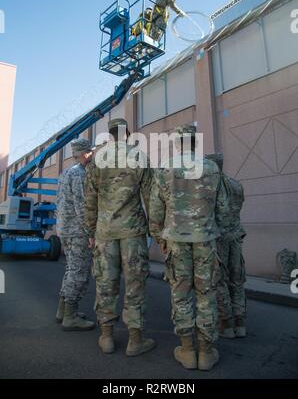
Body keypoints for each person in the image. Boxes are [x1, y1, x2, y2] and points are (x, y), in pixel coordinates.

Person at [149, 125, 228, 371]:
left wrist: (160, 239)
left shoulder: (164, 169)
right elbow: (223, 210)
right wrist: (218, 234)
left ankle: (187, 349)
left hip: (176, 241)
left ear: (177, 143)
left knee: (181, 295)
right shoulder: (212, 168)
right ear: (195, 142)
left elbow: (155, 211)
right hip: (205, 240)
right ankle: (206, 352)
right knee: (207, 295)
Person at [85, 118, 155, 356]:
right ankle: (135, 340)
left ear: (111, 134)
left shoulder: (97, 160)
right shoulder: (139, 157)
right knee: (134, 285)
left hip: (105, 232)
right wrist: (156, 232)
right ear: (127, 133)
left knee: (106, 284)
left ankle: (106, 337)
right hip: (133, 232)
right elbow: (151, 199)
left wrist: (90, 231)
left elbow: (90, 200)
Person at [56, 138, 95, 331]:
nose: (92, 155)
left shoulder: (65, 173)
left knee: (71, 269)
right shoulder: (80, 174)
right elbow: (82, 206)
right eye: (90, 152)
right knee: (79, 272)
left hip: (65, 228)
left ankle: (63, 310)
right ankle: (70, 316)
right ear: (85, 153)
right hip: (77, 230)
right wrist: (90, 232)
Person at [206, 154, 247, 339]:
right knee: (237, 279)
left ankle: (226, 323)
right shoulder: (236, 184)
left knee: (220, 280)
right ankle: (240, 322)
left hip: (219, 238)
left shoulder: (211, 186)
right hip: (236, 236)